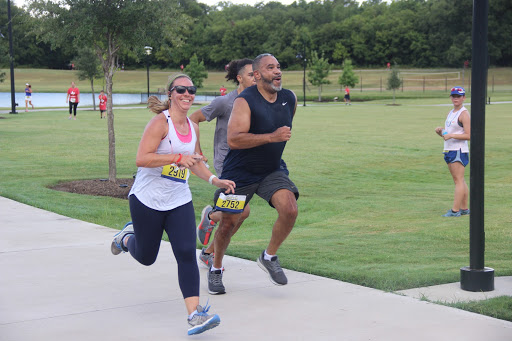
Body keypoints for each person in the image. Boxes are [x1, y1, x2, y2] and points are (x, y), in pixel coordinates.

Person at [110, 74, 235, 335]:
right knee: (146, 257)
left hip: (178, 199)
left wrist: (215, 180)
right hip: (147, 200)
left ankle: (195, 315)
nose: (187, 94)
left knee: (187, 253)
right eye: (181, 89)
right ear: (171, 93)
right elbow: (142, 158)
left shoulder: (193, 126)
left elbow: (196, 160)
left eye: (192, 89)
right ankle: (125, 238)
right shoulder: (159, 123)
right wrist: (177, 157)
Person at [206, 53, 298, 295]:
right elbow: (234, 139)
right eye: (270, 68)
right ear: (257, 75)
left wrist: (274, 142)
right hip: (239, 173)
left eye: (278, 67)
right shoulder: (244, 101)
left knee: (289, 209)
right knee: (228, 224)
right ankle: (215, 269)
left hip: (271, 169)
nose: (277, 71)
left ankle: (269, 256)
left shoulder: (290, 98)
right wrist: (271, 137)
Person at [189, 58, 255, 267]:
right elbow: (193, 119)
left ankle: (209, 247)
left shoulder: (257, 100)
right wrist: (197, 150)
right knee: (241, 211)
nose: (256, 77)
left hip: (248, 164)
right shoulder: (225, 102)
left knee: (239, 214)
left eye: (257, 74)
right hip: (227, 164)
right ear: (239, 78)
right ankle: (210, 220)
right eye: (252, 74)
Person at [435, 86, 471, 217]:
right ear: (451, 97)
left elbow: (469, 135)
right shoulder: (451, 113)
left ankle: (455, 211)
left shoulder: (464, 114)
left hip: (458, 150)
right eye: (454, 96)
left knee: (458, 180)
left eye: (459, 96)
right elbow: (447, 135)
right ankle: (465, 208)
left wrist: (451, 136)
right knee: (460, 180)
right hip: (450, 149)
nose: (456, 98)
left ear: (463, 98)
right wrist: (440, 132)